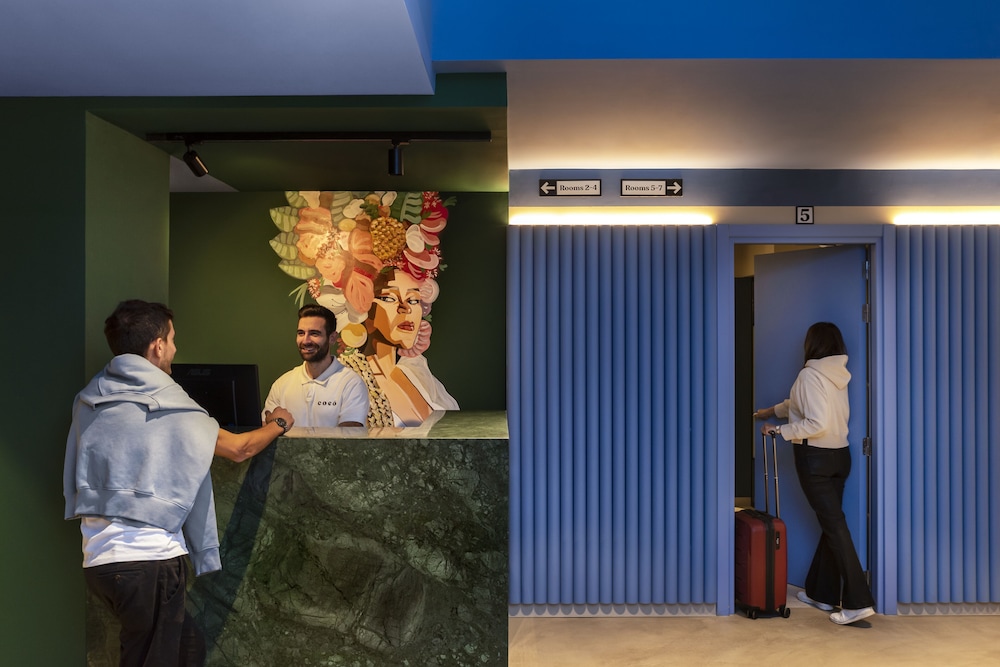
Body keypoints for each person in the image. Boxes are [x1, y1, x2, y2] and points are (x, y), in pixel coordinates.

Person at [63, 299, 296, 666]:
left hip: (100, 562)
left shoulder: (90, 399)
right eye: (172, 340)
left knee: (188, 650)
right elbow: (240, 448)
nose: (174, 349)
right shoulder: (169, 403)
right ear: (157, 346)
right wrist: (278, 423)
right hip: (149, 562)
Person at [755, 321, 876, 626]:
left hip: (816, 459)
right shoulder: (836, 375)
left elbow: (816, 422)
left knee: (834, 527)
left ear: (812, 344)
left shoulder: (809, 375)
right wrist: (771, 411)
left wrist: (779, 430)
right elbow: (800, 403)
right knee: (831, 524)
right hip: (839, 457)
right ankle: (821, 593)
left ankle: (858, 602)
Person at [263, 303, 369, 427]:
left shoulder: (351, 384)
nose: (305, 340)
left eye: (314, 334)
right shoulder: (282, 384)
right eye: (301, 333)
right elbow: (265, 430)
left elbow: (348, 437)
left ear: (332, 338)